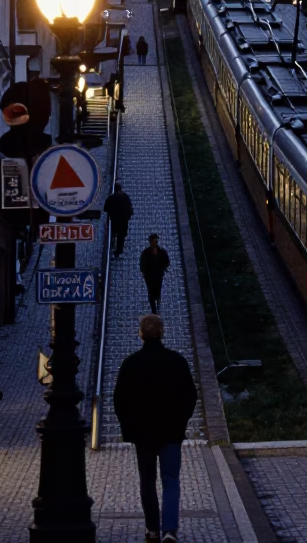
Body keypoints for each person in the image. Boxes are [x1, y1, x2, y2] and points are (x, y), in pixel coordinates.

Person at [114, 315, 197, 543]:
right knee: (171, 479)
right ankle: (169, 529)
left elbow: (119, 400)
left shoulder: (131, 364)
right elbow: (190, 395)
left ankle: (152, 529)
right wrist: (181, 421)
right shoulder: (177, 361)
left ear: (141, 334)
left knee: (147, 480)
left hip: (143, 435)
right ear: (162, 332)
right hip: (171, 432)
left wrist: (129, 428)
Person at [140, 233, 171, 313]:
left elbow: (167, 261)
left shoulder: (161, 251)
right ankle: (153, 309)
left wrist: (164, 267)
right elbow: (142, 263)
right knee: (150, 291)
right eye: (153, 240)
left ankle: (157, 298)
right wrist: (143, 271)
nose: (155, 242)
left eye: (156, 240)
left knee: (157, 289)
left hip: (158, 274)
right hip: (149, 275)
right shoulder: (145, 253)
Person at [104, 182, 134, 257]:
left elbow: (105, 208)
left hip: (115, 219)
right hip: (124, 219)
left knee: (114, 232)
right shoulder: (125, 196)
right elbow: (130, 207)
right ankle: (119, 250)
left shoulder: (111, 197)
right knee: (122, 234)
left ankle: (111, 245)